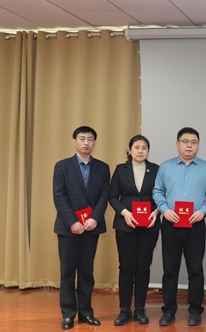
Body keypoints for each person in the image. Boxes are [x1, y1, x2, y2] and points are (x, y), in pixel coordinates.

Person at [152, 127, 206, 327]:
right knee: (170, 269)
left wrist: (203, 211)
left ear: (198, 145)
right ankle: (168, 311)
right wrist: (164, 210)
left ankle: (195, 311)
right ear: (177, 143)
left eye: (193, 142)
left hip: (196, 224)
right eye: (185, 141)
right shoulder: (166, 167)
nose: (189, 145)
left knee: (195, 269)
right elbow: (157, 191)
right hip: (170, 224)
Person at [53, 126, 111, 330]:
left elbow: (105, 195)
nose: (86, 142)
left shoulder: (103, 167)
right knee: (67, 272)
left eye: (90, 139)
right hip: (67, 228)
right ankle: (68, 314)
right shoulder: (62, 166)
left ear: (95, 142)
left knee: (86, 272)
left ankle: (86, 312)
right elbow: (59, 196)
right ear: (74, 141)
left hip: (91, 227)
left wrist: (95, 218)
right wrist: (72, 222)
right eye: (82, 138)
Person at [109, 135, 161, 326]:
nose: (140, 151)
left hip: (149, 225)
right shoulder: (120, 169)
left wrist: (156, 211)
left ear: (148, 151)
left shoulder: (155, 169)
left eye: (144, 148)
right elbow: (112, 196)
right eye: (137, 147)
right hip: (126, 225)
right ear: (129, 150)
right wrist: (125, 213)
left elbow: (162, 194)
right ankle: (124, 309)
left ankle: (140, 309)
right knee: (126, 267)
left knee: (143, 267)